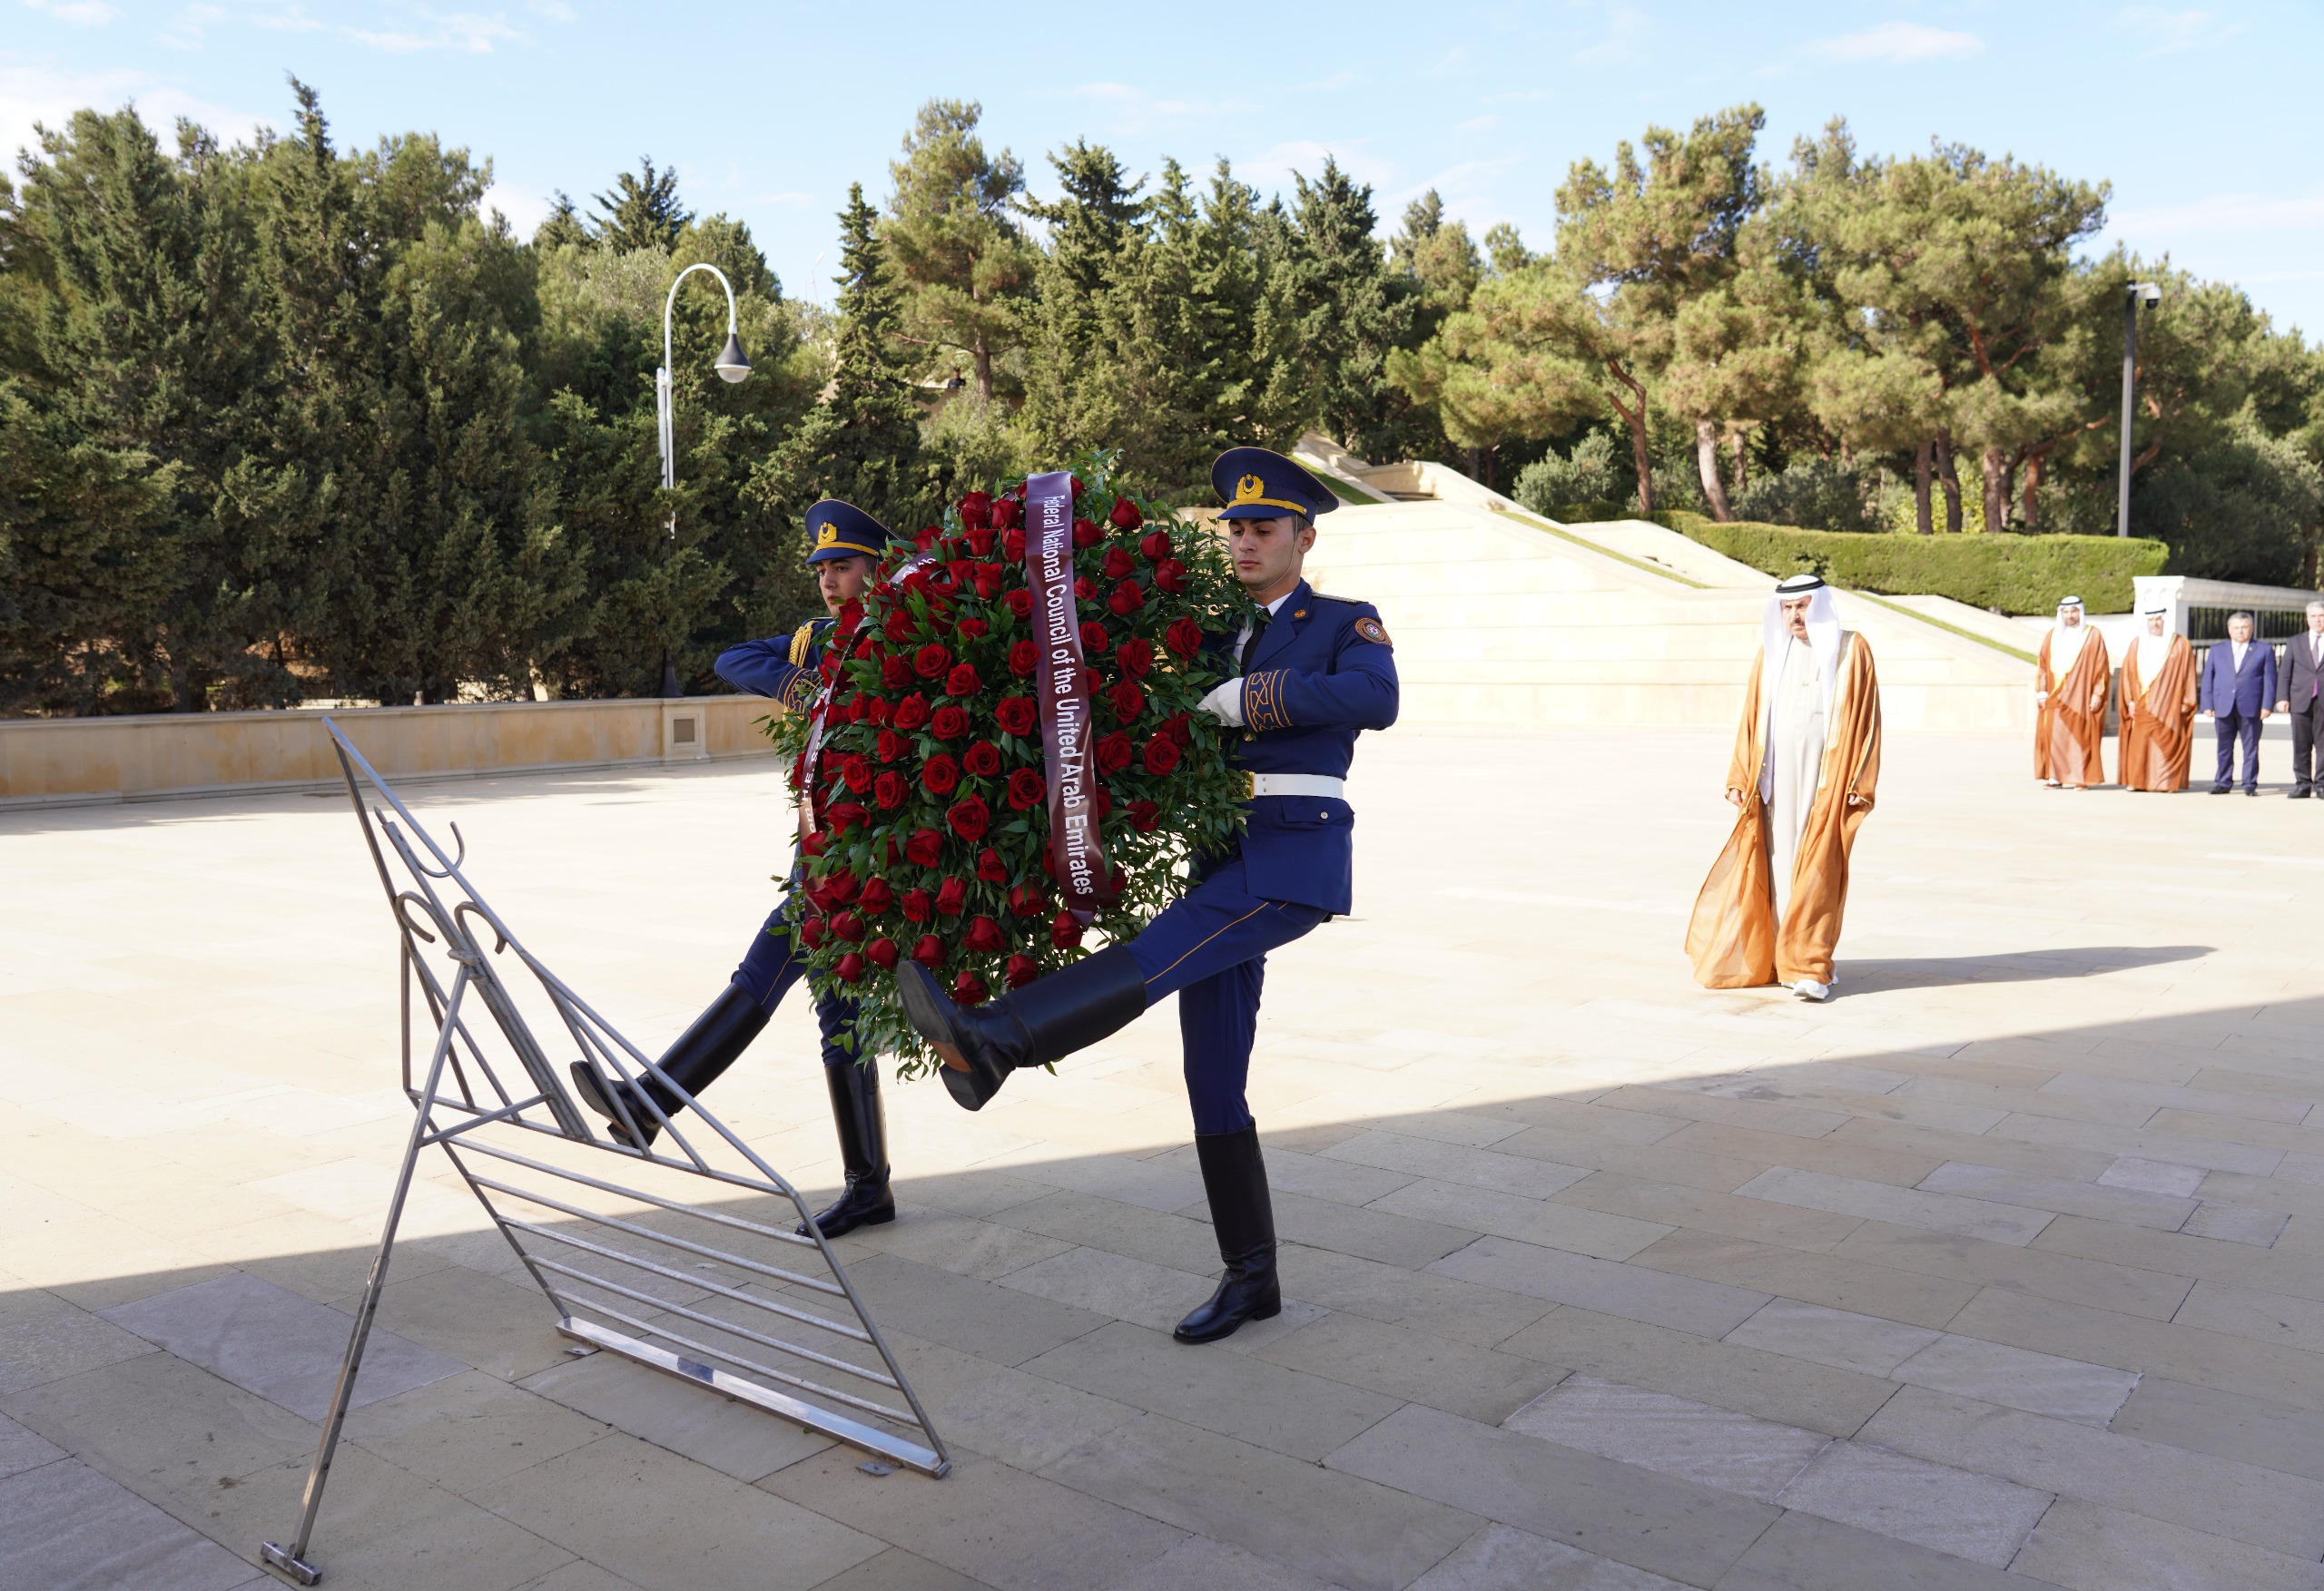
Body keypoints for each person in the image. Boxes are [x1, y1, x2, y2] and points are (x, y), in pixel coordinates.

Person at [891, 447, 1397, 1345]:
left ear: (1303, 538)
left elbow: (1376, 696)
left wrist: (1256, 698)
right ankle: (1253, 1279)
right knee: (1211, 1076)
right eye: (1234, 528)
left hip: (1287, 859)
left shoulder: (1342, 621)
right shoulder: (1213, 628)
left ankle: (1000, 1036)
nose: (1243, 541)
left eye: (1263, 528)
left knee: (1159, 954)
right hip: (1220, 850)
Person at [568, 500, 897, 1239]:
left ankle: (650, 1104)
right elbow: (735, 656)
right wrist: (794, 683)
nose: (829, 582)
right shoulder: (816, 644)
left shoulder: (899, 639)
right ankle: (868, 1185)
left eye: (843, 567)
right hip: (823, 849)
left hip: (869, 857)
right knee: (837, 1013)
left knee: (763, 973)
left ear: (877, 570)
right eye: (821, 570)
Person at [1686, 574, 1881, 1003]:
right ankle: (1778, 958)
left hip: (1827, 782)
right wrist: (1740, 775)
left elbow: (1867, 721)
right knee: (1777, 870)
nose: (1796, 615)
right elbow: (1751, 720)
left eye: (1804, 605)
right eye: (1788, 608)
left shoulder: (1853, 650)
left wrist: (1860, 780)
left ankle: (1811, 965)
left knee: (1818, 869)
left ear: (1821, 606)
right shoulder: (1770, 655)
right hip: (1776, 786)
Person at [2118, 606, 2198, 792]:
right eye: (2151, 620)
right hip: (2142, 703)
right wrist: (2130, 700)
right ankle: (2138, 781)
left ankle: (2165, 782)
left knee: (2167, 742)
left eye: (2158, 619)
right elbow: (2128, 674)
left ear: (2165, 620)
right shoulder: (2137, 644)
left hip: (2169, 705)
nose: (2155, 623)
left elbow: (2188, 675)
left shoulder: (2180, 644)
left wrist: (2186, 702)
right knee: (2140, 745)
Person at [2034, 596, 2109, 789]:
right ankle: (2055, 776)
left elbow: (2101, 667)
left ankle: (2079, 777)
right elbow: (2042, 665)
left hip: (2080, 697)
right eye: (2066, 612)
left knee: (2079, 737)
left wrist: (2097, 693)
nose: (2070, 616)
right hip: (2054, 697)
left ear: (2080, 612)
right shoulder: (2052, 635)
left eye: (2073, 611)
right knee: (2054, 736)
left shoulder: (2093, 635)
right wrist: (2041, 691)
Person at [2201, 611, 2276, 797]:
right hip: (2223, 705)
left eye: (2244, 627)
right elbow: (2208, 678)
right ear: (2229, 629)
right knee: (2223, 747)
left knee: (2251, 748)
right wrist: (2207, 704)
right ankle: (2223, 782)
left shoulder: (2263, 650)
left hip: (2251, 706)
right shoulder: (2217, 650)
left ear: (2251, 628)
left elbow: (2270, 680)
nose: (2240, 631)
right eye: (2236, 628)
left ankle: (2249, 783)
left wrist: (2267, 705)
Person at [2274, 600, 2324, 798]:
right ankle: (2303, 784)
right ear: (2307, 619)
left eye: (2321, 616)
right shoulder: (2296, 641)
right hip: (2300, 700)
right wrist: (2282, 697)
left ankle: (2321, 785)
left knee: (2323, 745)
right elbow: (2285, 672)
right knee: (2301, 745)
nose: (2317, 620)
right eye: (2313, 616)